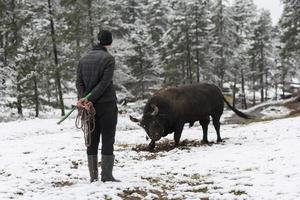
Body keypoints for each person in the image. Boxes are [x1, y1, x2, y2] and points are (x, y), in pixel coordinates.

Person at [76, 30, 119, 182]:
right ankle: (106, 176)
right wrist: (88, 99)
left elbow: (79, 82)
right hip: (106, 105)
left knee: (91, 139)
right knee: (108, 138)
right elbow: (104, 84)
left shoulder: (83, 59)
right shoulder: (109, 59)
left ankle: (93, 176)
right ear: (109, 42)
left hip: (88, 108)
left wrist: (84, 99)